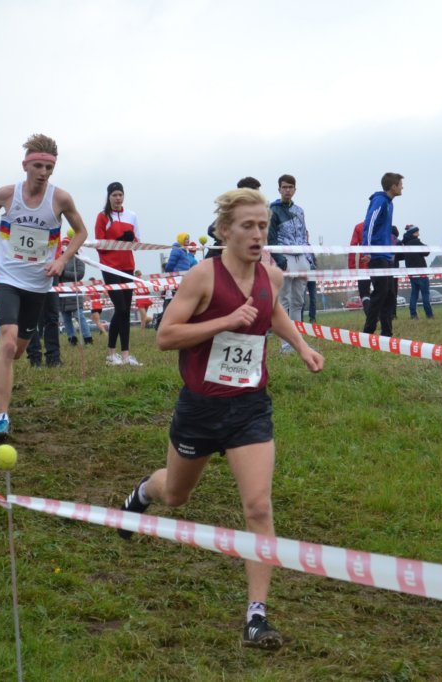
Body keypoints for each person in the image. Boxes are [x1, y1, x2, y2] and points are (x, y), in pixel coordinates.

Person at [117, 188, 324, 650]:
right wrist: (224, 321)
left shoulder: (270, 273)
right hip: (201, 408)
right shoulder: (202, 277)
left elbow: (272, 310)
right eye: (248, 226)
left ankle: (256, 616)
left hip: (249, 407)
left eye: (263, 226)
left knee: (259, 507)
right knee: (176, 495)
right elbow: (166, 336)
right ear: (225, 231)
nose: (257, 234)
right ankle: (144, 492)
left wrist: (302, 346)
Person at [0, 133, 88, 442]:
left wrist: (62, 259)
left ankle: (7, 368)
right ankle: (2, 417)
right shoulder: (7, 194)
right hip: (8, 277)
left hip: (39, 283)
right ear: (25, 165)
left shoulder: (60, 199)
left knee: (19, 350)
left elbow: (81, 232)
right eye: (38, 166)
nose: (43, 173)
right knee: (8, 344)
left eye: (49, 168)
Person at [95, 181, 140, 366]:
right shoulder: (103, 217)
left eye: (120, 194)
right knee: (120, 309)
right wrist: (119, 240)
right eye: (114, 195)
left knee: (125, 310)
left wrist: (131, 239)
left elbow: (137, 243)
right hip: (110, 267)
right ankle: (112, 354)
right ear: (109, 197)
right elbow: (99, 245)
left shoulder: (132, 215)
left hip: (127, 266)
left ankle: (125, 355)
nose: (118, 198)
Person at [268, 174, 313, 352]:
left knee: (298, 301)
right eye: (284, 187)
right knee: (284, 301)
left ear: (295, 189)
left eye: (290, 187)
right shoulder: (273, 210)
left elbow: (304, 235)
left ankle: (298, 341)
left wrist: (309, 258)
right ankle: (286, 344)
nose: (287, 190)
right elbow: (271, 237)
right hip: (285, 257)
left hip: (301, 258)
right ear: (279, 189)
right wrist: (279, 259)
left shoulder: (299, 210)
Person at [362, 173, 404, 337]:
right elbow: (369, 224)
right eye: (400, 184)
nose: (402, 187)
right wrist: (367, 250)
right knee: (380, 292)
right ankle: (368, 331)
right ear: (393, 186)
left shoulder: (389, 203)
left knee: (390, 294)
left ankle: (387, 333)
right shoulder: (379, 201)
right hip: (376, 255)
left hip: (387, 255)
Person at [206, 177, 261, 260]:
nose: (260, 196)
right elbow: (212, 230)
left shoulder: (258, 212)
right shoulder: (233, 209)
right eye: (257, 193)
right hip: (221, 258)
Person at [58, 229, 93, 345]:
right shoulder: (59, 259)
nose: (64, 248)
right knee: (66, 318)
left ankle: (87, 338)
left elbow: (79, 275)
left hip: (74, 294)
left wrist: (63, 273)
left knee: (79, 316)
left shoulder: (79, 259)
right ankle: (71, 338)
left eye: (66, 245)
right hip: (62, 294)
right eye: (63, 245)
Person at [402, 225, 432, 319]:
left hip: (411, 273)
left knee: (414, 294)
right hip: (421, 272)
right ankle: (429, 314)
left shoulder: (406, 243)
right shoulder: (416, 241)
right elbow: (426, 252)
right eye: (417, 232)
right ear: (414, 233)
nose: (419, 233)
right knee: (425, 294)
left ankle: (413, 314)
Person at [349, 221, 371, 313]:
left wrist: (352, 267)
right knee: (381, 290)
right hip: (382, 264)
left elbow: (353, 247)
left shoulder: (359, 227)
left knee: (364, 293)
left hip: (364, 266)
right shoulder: (382, 224)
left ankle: (370, 315)